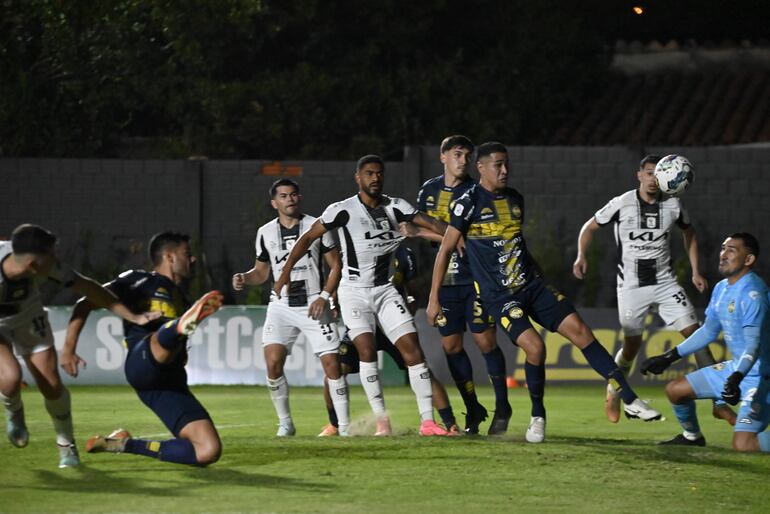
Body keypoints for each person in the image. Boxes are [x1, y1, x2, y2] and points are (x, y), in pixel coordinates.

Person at [427, 142, 663, 444]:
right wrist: (434, 299)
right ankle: (538, 417)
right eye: (498, 164)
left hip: (532, 286)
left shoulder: (514, 200)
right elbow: (445, 250)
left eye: (507, 163)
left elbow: (517, 244)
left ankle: (630, 398)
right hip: (500, 296)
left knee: (581, 331)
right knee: (536, 348)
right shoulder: (467, 202)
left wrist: (539, 275)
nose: (505, 170)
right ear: (481, 168)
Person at [274, 155, 451, 436]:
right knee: (366, 351)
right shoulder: (342, 210)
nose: (375, 178)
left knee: (414, 351)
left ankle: (428, 422)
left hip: (385, 290)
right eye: (369, 173)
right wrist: (285, 273)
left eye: (379, 173)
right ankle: (382, 420)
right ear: (358, 178)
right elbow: (307, 237)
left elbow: (429, 222)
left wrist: (458, 234)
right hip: (353, 292)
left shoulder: (396, 207)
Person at [573, 154, 735, 425]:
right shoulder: (622, 203)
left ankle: (719, 402)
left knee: (696, 336)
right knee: (631, 347)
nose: (652, 179)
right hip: (631, 286)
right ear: (639, 175)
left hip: (665, 282)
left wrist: (695, 270)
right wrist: (581, 256)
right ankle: (613, 392)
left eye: (656, 174)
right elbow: (589, 227)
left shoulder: (673, 205)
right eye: (648, 173)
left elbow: (690, 233)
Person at [0, 224, 158, 468]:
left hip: (27, 316)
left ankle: (66, 446)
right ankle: (14, 412)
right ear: (33, 264)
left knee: (51, 385)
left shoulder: (45, 266)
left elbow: (88, 288)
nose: (56, 259)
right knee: (10, 378)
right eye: (51, 255)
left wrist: (133, 317)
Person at [62, 232, 224, 466]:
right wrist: (68, 349)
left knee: (208, 450)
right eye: (187, 254)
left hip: (169, 382)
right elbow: (85, 302)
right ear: (169, 256)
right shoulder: (138, 280)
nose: (193, 259)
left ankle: (121, 444)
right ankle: (178, 326)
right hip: (142, 361)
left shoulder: (182, 298)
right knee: (161, 337)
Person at [232, 178, 350, 437]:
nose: (290, 200)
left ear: (300, 198)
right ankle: (285, 423)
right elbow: (262, 273)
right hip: (282, 305)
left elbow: (336, 266)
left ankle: (344, 426)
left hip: (313, 303)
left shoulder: (317, 226)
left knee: (332, 364)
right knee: (273, 363)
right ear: (274, 203)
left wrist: (324, 295)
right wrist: (244, 277)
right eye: (284, 196)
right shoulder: (265, 232)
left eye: (294, 194)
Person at [409, 135, 510, 435]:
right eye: (457, 154)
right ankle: (473, 407)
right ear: (443, 157)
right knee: (451, 345)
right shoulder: (428, 191)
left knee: (484, 341)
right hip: (447, 280)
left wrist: (425, 233)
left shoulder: (476, 191)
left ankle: (503, 406)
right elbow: (412, 228)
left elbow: (461, 238)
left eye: (467, 155)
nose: (463, 160)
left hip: (476, 277)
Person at [640, 233, 770, 450]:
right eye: (723, 248)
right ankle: (692, 437)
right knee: (675, 390)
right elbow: (709, 331)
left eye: (732, 250)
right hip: (738, 369)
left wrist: (737, 377)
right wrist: (670, 356)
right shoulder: (721, 288)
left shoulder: (753, 294)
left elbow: (753, 345)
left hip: (761, 377)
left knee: (744, 445)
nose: (723, 255)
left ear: (748, 260)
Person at [318, 244, 461, 436]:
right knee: (333, 374)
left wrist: (410, 307)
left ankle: (449, 424)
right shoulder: (352, 246)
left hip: (390, 324)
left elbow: (414, 288)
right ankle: (335, 424)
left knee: (421, 369)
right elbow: (338, 278)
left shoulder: (402, 251)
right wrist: (333, 302)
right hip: (362, 322)